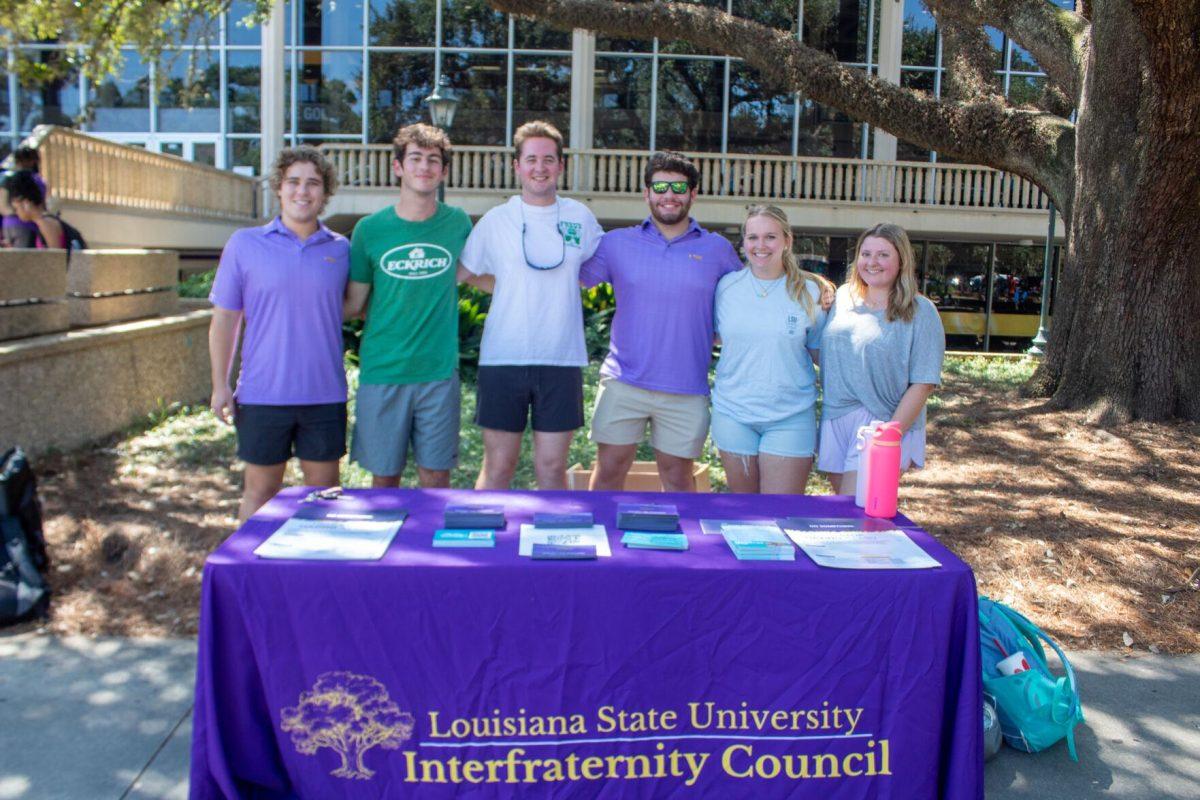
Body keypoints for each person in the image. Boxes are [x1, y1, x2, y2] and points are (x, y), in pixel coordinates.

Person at [579, 152, 743, 492]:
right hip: (624, 380)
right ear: (647, 193)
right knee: (608, 471)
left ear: (693, 194)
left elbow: (748, 296)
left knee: (678, 479)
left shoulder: (717, 249)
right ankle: (601, 543)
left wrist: (814, 289)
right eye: (660, 186)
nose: (669, 195)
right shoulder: (616, 243)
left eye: (679, 187)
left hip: (686, 387)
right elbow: (569, 279)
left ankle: (684, 546)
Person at [208, 146, 350, 521]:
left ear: (325, 193)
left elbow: (354, 307)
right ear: (279, 188)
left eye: (313, 183)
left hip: (324, 395)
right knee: (261, 492)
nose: (302, 191)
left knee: (324, 499)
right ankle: (248, 576)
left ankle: (319, 578)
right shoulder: (245, 244)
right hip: (262, 394)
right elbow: (225, 319)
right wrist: (220, 384)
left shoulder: (342, 249)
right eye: (294, 182)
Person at [459, 121, 603, 490]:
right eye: (531, 159)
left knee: (553, 467)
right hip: (503, 358)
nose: (540, 167)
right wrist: (508, 288)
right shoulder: (496, 220)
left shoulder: (580, 218)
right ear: (517, 166)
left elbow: (601, 269)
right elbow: (467, 273)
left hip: (561, 359)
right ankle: (485, 547)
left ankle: (555, 543)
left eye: (549, 159)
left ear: (561, 166)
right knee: (499, 467)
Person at [342, 123, 481, 489]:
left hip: (437, 371)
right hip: (384, 370)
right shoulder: (369, 231)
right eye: (415, 158)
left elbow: (480, 275)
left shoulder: (458, 224)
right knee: (384, 479)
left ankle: (432, 548)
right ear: (398, 167)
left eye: (433, 160)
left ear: (444, 171)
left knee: (436, 477)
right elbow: (354, 303)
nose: (424, 166)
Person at [712, 205, 833, 494]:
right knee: (746, 513)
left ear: (787, 241)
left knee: (780, 514)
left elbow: (821, 353)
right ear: (743, 243)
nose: (760, 246)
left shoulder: (811, 292)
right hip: (733, 413)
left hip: (790, 415)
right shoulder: (725, 288)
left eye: (770, 237)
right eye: (752, 238)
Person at [817, 222, 945, 495]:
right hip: (835, 417)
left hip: (879, 421)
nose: (872, 262)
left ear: (901, 260)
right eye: (866, 254)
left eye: (883, 255)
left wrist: (890, 434)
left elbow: (924, 382)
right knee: (844, 511)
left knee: (858, 506)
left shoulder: (921, 311)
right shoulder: (842, 298)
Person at [2, 170, 64, 249]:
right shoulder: (43, 222)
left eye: (16, 208)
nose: (16, 213)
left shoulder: (46, 224)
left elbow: (55, 256)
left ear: (26, 204)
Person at [2, 147, 48, 248]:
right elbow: (42, 206)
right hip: (28, 224)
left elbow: (2, 205)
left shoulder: (7, 179)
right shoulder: (36, 179)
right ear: (33, 161)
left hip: (8, 223)